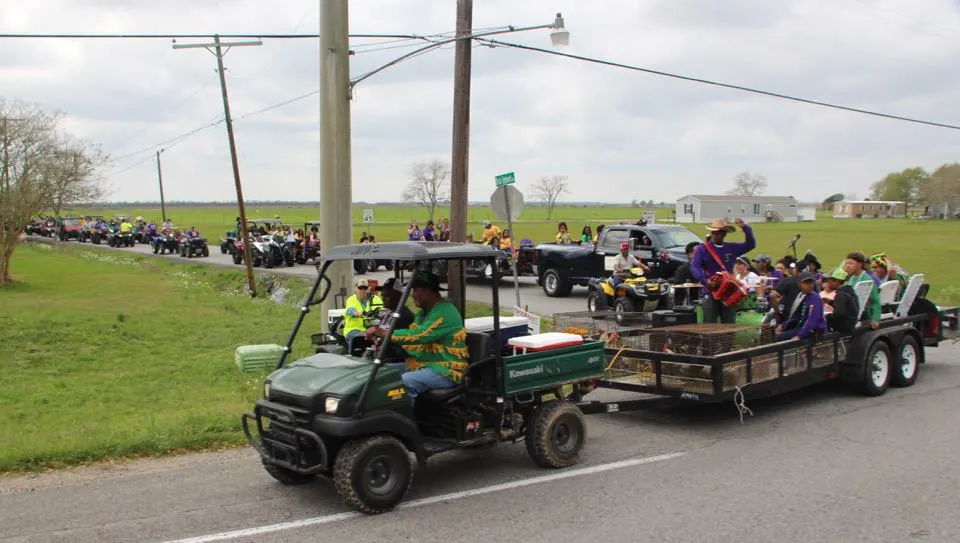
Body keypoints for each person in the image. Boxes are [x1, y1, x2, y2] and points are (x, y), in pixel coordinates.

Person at [365, 272, 468, 404]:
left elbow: (419, 335)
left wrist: (383, 333)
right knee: (382, 374)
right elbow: (410, 339)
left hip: (445, 370)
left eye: (415, 291)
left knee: (405, 381)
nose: (412, 295)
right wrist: (387, 340)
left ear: (427, 291)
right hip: (424, 364)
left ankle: (404, 423)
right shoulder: (423, 313)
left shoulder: (445, 312)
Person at [690, 217, 756, 324]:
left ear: (725, 234)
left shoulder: (731, 247)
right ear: (711, 233)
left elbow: (750, 244)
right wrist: (705, 281)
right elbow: (695, 267)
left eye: (721, 233)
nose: (718, 235)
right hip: (711, 292)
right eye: (715, 232)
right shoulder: (702, 249)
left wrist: (745, 228)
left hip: (728, 293)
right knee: (710, 325)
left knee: (729, 324)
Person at [776, 272, 827, 341]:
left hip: (814, 331)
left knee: (778, 338)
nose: (810, 285)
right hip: (802, 327)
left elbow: (812, 320)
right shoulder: (802, 295)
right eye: (806, 283)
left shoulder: (814, 297)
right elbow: (797, 316)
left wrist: (800, 335)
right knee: (776, 335)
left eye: (811, 282)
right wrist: (782, 326)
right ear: (799, 284)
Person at [844, 251, 881, 329]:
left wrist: (876, 319)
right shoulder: (852, 277)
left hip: (862, 314)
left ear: (860, 264)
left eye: (851, 263)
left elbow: (875, 301)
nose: (847, 266)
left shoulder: (867, 279)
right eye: (846, 263)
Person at [344, 279, 377, 353]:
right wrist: (359, 313)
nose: (363, 290)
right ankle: (352, 357)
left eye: (365, 288)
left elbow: (384, 309)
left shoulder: (375, 299)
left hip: (373, 329)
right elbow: (351, 310)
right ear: (356, 289)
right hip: (354, 330)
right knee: (358, 339)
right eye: (360, 288)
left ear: (369, 289)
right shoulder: (351, 300)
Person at [822, 267, 859, 333]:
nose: (827, 282)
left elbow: (838, 315)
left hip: (844, 327)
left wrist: (825, 316)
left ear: (837, 281)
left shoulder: (840, 295)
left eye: (829, 280)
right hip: (851, 323)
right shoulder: (849, 291)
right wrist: (830, 302)